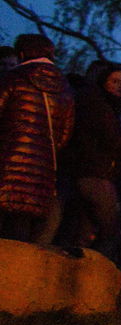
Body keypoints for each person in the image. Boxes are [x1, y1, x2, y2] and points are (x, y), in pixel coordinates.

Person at [0, 34, 76, 243]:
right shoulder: (64, 88)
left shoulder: (13, 78)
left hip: (7, 160)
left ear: (22, 53)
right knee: (20, 229)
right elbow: (64, 135)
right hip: (41, 168)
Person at [61, 61, 121, 255]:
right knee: (110, 226)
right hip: (95, 173)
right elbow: (114, 142)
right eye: (115, 81)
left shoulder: (113, 108)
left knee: (86, 228)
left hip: (98, 172)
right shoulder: (99, 106)